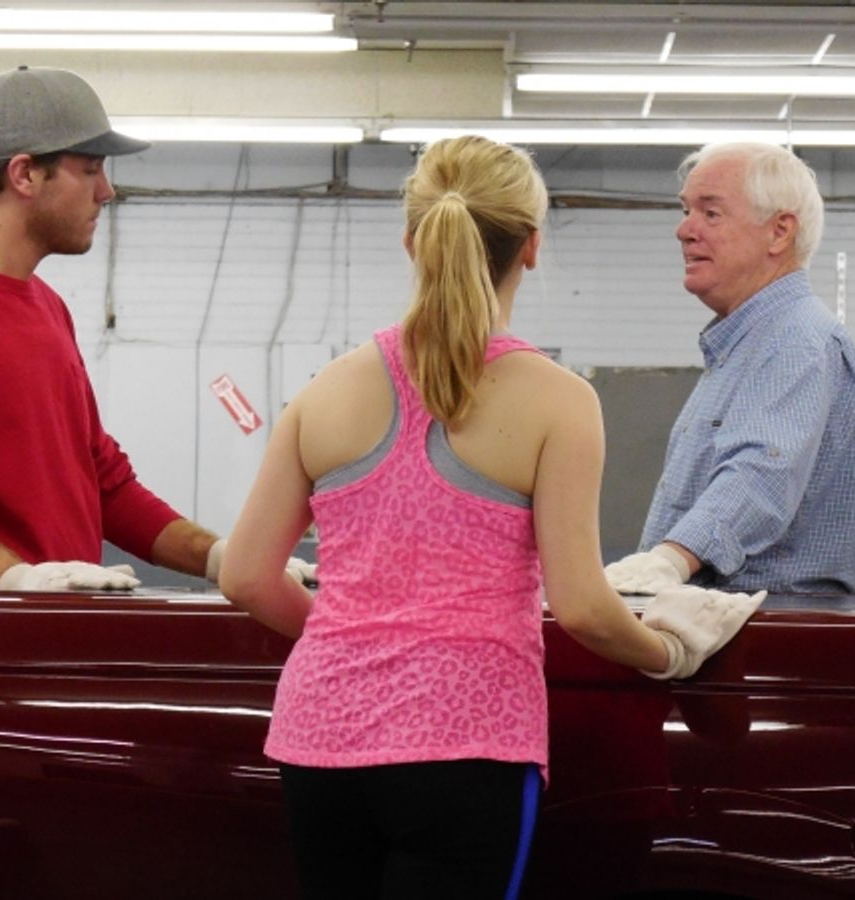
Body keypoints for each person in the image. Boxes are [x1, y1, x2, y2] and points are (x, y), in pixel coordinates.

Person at [219, 134, 764, 900]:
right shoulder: (558, 402)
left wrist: (358, 635)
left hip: (321, 738)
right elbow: (580, 606)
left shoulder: (324, 392)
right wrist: (669, 651)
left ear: (412, 239)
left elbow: (244, 573)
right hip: (464, 746)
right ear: (532, 246)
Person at [0, 66, 310, 900]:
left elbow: (105, 481)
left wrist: (232, 558)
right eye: (90, 167)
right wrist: (12, 579)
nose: (108, 189)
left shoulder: (45, 310)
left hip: (46, 666)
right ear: (26, 175)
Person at [605, 141, 855, 597]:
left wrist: (670, 559)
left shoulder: (795, 340)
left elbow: (760, 473)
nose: (684, 230)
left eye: (710, 213)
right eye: (686, 210)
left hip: (775, 633)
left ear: (779, 233)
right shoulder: (744, 346)